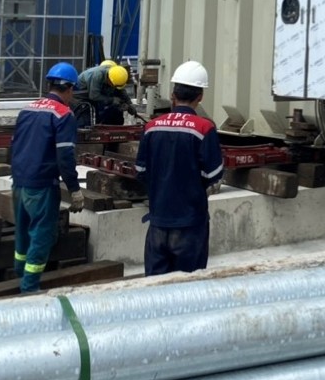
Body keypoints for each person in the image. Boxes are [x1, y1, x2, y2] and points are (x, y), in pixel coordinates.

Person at [135, 59, 224, 275]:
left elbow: (140, 172)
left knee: (154, 290)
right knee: (186, 293)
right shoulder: (204, 128)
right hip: (190, 226)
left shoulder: (151, 127)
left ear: (173, 94)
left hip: (157, 223)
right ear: (200, 95)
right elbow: (214, 176)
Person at [10, 62, 84, 293]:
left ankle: (19, 273)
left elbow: (14, 145)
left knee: (22, 232)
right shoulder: (63, 115)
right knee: (41, 236)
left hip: (20, 181)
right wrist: (74, 189)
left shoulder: (28, 109)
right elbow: (65, 156)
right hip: (42, 185)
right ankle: (29, 288)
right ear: (69, 88)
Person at [76, 60, 135, 126]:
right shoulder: (98, 76)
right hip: (81, 97)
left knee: (114, 112)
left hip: (95, 94)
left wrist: (129, 103)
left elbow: (120, 90)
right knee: (87, 121)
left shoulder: (115, 74)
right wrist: (112, 100)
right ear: (109, 80)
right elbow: (94, 96)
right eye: (114, 86)